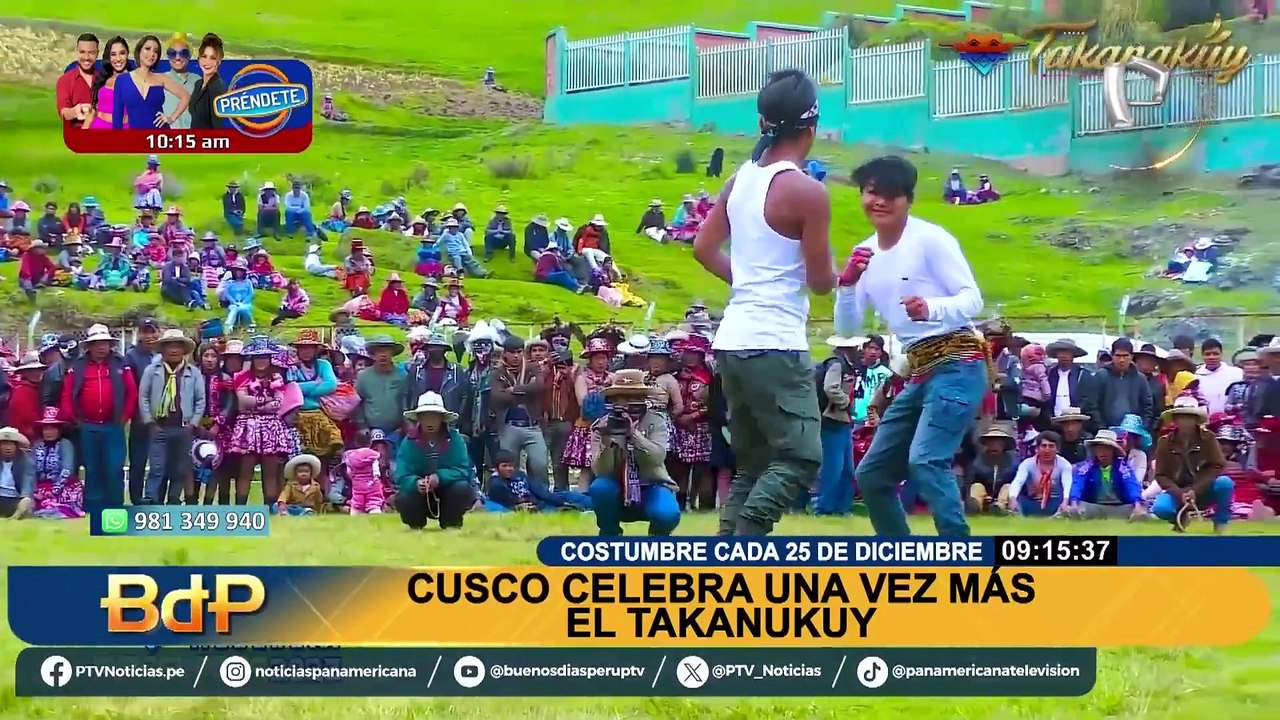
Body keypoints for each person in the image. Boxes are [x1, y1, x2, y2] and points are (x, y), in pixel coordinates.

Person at [693, 69, 832, 536]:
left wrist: (746, 282)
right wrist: (847, 274)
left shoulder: (739, 181)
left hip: (732, 338)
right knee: (801, 456)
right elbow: (820, 283)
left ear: (761, 123)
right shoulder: (808, 192)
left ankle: (726, 553)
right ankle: (750, 539)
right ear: (810, 129)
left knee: (753, 462)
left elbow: (703, 248)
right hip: (775, 342)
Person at [833, 155, 986, 537]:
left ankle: (960, 553)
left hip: (959, 362)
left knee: (926, 460)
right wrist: (848, 283)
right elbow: (847, 328)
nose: (879, 202)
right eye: (872, 193)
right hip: (919, 371)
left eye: (891, 195)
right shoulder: (865, 252)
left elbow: (973, 300)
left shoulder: (931, 239)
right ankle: (901, 556)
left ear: (908, 200)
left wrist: (930, 307)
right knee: (871, 474)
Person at [59, 324, 137, 513]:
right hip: (88, 426)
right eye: (97, 343)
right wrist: (74, 418)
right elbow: (67, 395)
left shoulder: (121, 364)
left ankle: (115, 507)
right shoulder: (77, 367)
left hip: (114, 426)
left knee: (114, 468)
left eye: (105, 343)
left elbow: (132, 392)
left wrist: (125, 416)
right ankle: (93, 509)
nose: (102, 347)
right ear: (89, 346)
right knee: (92, 469)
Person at [137, 329, 206, 504]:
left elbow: (200, 400)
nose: (174, 350)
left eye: (177, 346)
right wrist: (150, 422)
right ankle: (151, 499)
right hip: (159, 426)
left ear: (184, 350)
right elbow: (143, 396)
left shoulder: (193, 372)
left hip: (183, 427)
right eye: (169, 346)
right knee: (157, 467)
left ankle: (174, 499)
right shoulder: (152, 371)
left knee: (180, 467)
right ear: (163, 349)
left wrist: (193, 423)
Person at [1151, 396, 1234, 533]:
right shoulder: (1164, 442)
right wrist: (1179, 493)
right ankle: (1181, 518)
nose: (1185, 421)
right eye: (1181, 416)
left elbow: (1217, 466)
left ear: (1196, 419)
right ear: (1175, 419)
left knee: (1225, 483)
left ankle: (1221, 522)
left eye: (1189, 417)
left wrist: (1195, 490)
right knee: (1160, 508)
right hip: (1177, 491)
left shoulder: (1208, 438)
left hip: (1203, 489)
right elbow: (1161, 475)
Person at [395, 391, 475, 529]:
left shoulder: (455, 439)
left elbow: (462, 470)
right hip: (420, 493)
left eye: (434, 417)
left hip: (448, 490)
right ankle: (415, 524)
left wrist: (440, 477)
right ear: (419, 419)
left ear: (442, 418)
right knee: (403, 497)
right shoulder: (409, 442)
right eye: (425, 417)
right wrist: (415, 482)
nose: (429, 422)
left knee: (461, 488)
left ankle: (451, 523)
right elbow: (401, 475)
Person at [113, 35, 189, 129]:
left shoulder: (162, 78)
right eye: (147, 48)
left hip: (160, 138)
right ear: (139, 50)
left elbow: (185, 96)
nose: (152, 54)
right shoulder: (122, 80)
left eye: (156, 51)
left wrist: (171, 118)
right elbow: (117, 115)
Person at [1067, 428, 1145, 520]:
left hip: (1119, 506)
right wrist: (1074, 502)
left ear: (1113, 451)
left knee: (1137, 508)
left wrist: (1137, 503)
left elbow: (1131, 484)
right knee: (1080, 507)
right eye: (1099, 449)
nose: (1102, 452)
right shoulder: (1086, 467)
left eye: (1106, 449)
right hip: (1094, 505)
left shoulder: (1123, 467)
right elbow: (1078, 484)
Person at [29, 407, 82, 518]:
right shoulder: (37, 445)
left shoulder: (65, 444)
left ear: (59, 430)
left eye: (53, 429)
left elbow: (67, 470)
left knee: (57, 504)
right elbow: (30, 469)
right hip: (40, 486)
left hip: (64, 486)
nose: (49, 432)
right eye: (46, 429)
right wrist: (34, 491)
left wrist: (55, 490)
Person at [1008, 430, 1073, 516]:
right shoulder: (1027, 463)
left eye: (1051, 446)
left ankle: (1059, 515)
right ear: (1037, 449)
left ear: (1057, 449)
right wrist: (1013, 498)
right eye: (1044, 446)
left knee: (1067, 503)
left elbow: (1067, 485)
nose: (1047, 450)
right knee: (1018, 499)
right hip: (1032, 500)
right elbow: (1018, 482)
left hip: (1055, 501)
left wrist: (1065, 501)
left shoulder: (1064, 464)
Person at [85, 36, 128, 129]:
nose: (118, 58)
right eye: (113, 54)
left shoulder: (135, 80)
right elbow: (93, 111)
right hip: (98, 128)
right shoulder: (103, 78)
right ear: (109, 57)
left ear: (127, 54)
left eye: (122, 53)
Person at [57, 33, 99, 129]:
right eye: (82, 52)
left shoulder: (104, 79)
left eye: (91, 52)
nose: (86, 57)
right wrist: (75, 112)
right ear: (76, 52)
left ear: (97, 53)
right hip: (78, 137)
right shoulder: (65, 81)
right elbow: (63, 113)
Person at [189, 33, 227, 130]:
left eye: (213, 58)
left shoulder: (218, 89)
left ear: (219, 62)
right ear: (199, 58)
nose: (207, 62)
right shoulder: (198, 84)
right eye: (204, 56)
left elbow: (218, 128)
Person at [161, 33, 198, 129]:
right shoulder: (160, 81)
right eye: (172, 53)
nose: (177, 58)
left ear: (189, 55)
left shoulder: (198, 81)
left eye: (183, 53)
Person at [0, 427, 35, 519]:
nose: (7, 448)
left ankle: (15, 518)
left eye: (10, 444)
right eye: (4, 444)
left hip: (15, 500)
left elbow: (28, 483)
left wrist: (25, 496)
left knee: (26, 501)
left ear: (17, 446)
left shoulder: (26, 461)